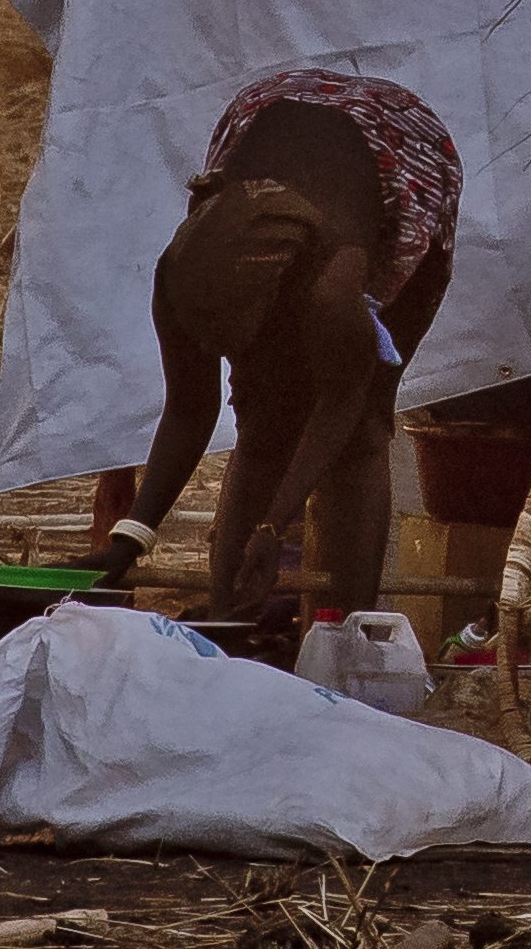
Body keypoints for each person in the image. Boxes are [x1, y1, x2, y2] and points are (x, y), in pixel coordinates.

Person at [81, 69, 461, 618]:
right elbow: (189, 411)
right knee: (262, 423)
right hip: (272, 118)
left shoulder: (334, 288)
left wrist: (272, 527)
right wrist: (129, 539)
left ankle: (346, 636)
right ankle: (228, 624)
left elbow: (341, 402)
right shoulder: (178, 274)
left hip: (407, 159)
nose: (238, 366)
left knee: (362, 435)